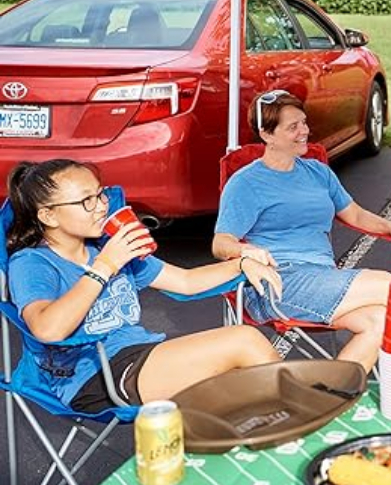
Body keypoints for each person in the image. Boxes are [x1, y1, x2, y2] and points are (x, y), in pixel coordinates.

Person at [212, 90, 391, 384]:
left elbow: (353, 214)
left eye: (303, 123)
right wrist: (247, 252)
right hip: (278, 280)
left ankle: (328, 394)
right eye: (293, 127)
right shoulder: (246, 183)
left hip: (322, 278)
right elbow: (220, 243)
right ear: (267, 135)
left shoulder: (317, 172)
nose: (304, 131)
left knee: (380, 320)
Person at [6, 159, 280, 414]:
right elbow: (46, 329)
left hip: (142, 354)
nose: (102, 206)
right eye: (86, 200)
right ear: (49, 216)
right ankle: (300, 440)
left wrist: (240, 264)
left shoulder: (107, 248)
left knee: (243, 384)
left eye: (100, 194)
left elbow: (186, 282)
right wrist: (105, 267)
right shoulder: (33, 263)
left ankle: (269, 445)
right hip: (95, 376)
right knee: (246, 341)